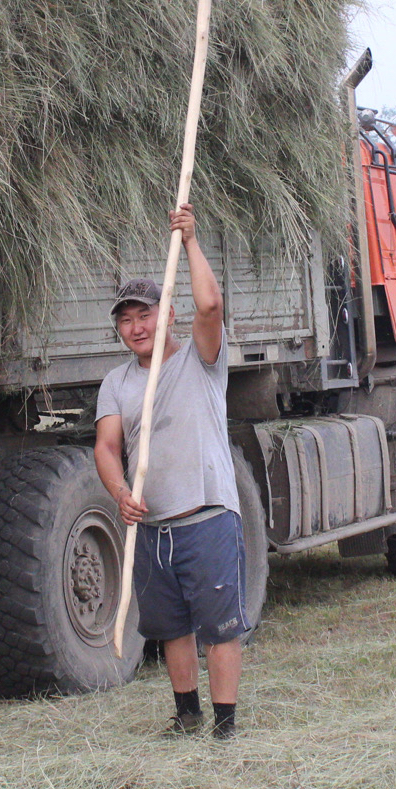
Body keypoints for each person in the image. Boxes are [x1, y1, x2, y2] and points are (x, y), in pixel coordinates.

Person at [94, 204, 248, 738]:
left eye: (145, 315)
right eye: (126, 320)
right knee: (172, 630)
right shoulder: (116, 383)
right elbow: (108, 447)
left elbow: (212, 303)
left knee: (219, 627)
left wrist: (190, 242)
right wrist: (118, 491)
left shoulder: (200, 360)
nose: (136, 327)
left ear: (168, 315)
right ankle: (187, 715)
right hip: (153, 528)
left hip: (206, 517)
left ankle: (225, 725)